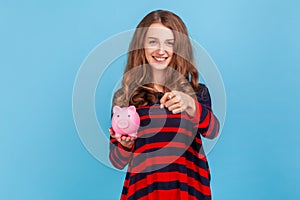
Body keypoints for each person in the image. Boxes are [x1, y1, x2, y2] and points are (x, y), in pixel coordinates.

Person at [108, 10, 219, 200]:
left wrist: (191, 105)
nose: (161, 50)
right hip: (144, 192)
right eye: (153, 42)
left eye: (170, 43)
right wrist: (125, 144)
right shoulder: (125, 97)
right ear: (141, 46)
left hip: (189, 190)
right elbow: (117, 161)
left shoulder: (197, 92)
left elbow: (212, 130)